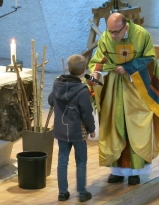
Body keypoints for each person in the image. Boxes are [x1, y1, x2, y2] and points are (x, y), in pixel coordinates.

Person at [88, 13, 159, 185]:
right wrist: (97, 72)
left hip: (136, 89)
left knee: (135, 129)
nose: (113, 36)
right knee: (114, 126)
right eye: (110, 32)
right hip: (114, 90)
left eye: (116, 32)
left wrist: (128, 68)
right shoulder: (107, 36)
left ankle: (135, 172)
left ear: (125, 26)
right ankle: (117, 172)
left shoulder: (141, 35)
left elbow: (151, 60)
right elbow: (98, 60)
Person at [48, 54, 95, 202]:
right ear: (83, 70)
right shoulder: (82, 90)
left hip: (61, 130)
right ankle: (82, 193)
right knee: (81, 162)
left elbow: (50, 100)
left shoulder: (57, 84)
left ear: (68, 68)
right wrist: (92, 128)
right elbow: (87, 113)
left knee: (62, 160)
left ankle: (62, 192)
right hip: (77, 132)